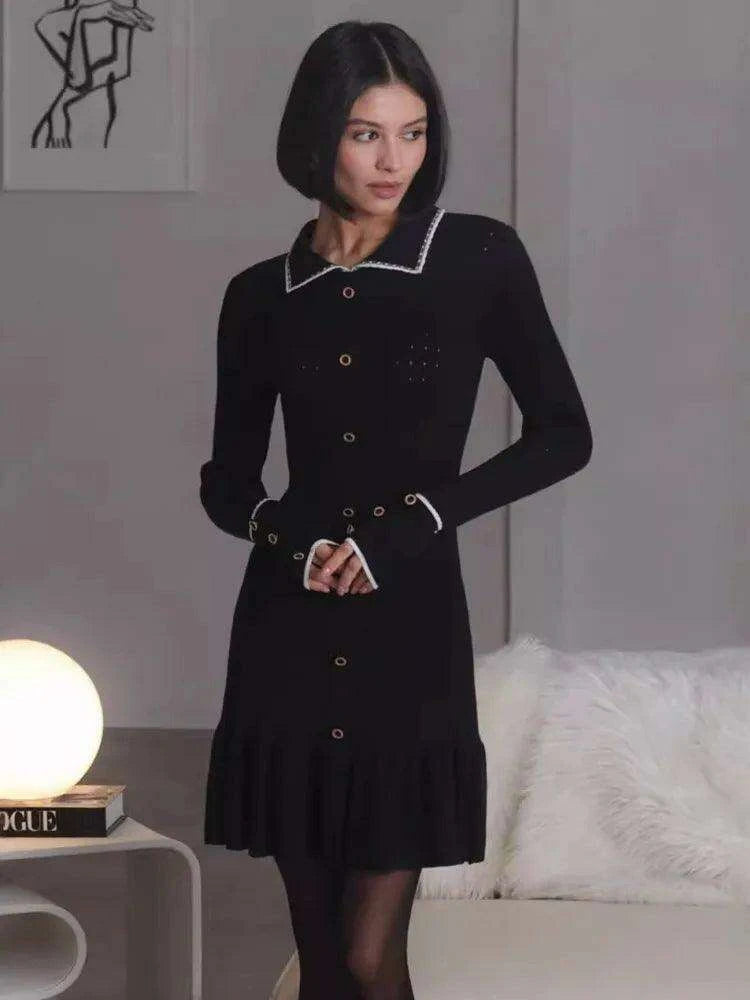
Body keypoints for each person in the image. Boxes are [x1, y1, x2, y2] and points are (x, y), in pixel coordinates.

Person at [199, 19, 593, 1000]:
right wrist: (292, 539)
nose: (394, 161)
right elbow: (227, 483)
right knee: (323, 964)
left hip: (407, 632)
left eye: (412, 133)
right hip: (285, 634)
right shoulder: (259, 296)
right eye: (366, 133)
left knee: (371, 957)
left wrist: (413, 524)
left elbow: (563, 434)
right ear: (317, 136)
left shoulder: (477, 258)